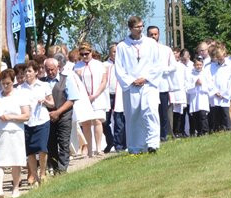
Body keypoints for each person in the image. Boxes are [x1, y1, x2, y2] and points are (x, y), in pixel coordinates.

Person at [114, 16, 162, 154]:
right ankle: (136, 146)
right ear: (130, 28)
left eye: (142, 26)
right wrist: (131, 81)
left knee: (151, 111)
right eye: (137, 27)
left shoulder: (151, 44)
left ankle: (153, 143)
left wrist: (146, 78)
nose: (140, 29)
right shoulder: (122, 46)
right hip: (132, 86)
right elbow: (119, 68)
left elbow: (157, 64)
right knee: (133, 115)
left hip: (148, 84)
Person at [0, 70, 29, 198]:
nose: (5, 86)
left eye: (8, 83)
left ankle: (15, 188)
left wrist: (10, 117)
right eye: (3, 83)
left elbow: (26, 115)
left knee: (16, 160)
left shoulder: (20, 95)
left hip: (15, 131)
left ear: (13, 82)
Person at [18, 60, 54, 181]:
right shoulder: (19, 89)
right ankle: (35, 176)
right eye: (25, 71)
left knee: (42, 148)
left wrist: (45, 101)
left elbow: (52, 103)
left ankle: (43, 173)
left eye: (29, 71)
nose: (27, 73)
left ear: (36, 72)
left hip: (42, 120)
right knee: (30, 151)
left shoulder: (44, 85)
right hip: (27, 122)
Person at [42, 57, 78, 174]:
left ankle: (63, 169)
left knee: (63, 142)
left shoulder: (66, 80)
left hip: (64, 115)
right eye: (48, 70)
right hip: (48, 117)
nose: (50, 72)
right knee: (50, 143)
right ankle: (55, 166)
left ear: (58, 68)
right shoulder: (41, 82)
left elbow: (71, 99)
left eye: (52, 69)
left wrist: (58, 112)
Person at [73, 44, 109, 156]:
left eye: (86, 54)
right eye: (82, 54)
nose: (84, 56)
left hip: (97, 96)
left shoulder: (99, 65)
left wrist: (95, 95)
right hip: (84, 98)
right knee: (86, 123)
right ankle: (88, 150)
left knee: (97, 121)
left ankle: (98, 148)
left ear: (91, 52)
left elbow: (104, 81)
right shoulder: (77, 66)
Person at [146, 25, 177, 142]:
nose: (153, 36)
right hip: (148, 86)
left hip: (162, 85)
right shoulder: (144, 50)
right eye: (151, 34)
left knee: (163, 113)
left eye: (155, 34)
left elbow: (174, 66)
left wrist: (163, 70)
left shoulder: (166, 50)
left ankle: (163, 135)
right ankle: (152, 135)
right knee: (151, 112)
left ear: (159, 35)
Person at [207, 46, 231, 133]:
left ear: (224, 55)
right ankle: (217, 128)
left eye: (221, 58)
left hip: (225, 93)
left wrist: (225, 93)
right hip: (215, 94)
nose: (219, 60)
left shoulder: (230, 65)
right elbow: (209, 79)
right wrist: (215, 91)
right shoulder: (212, 66)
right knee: (215, 112)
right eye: (217, 58)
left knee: (225, 112)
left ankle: (227, 127)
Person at [186, 56, 211, 137]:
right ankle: (199, 132)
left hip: (203, 98)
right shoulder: (191, 74)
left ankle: (205, 131)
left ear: (202, 65)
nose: (199, 66)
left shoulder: (206, 74)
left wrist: (201, 85)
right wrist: (195, 84)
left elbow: (210, 87)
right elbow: (187, 89)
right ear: (194, 65)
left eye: (200, 65)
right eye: (197, 65)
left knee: (203, 116)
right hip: (194, 99)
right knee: (196, 116)